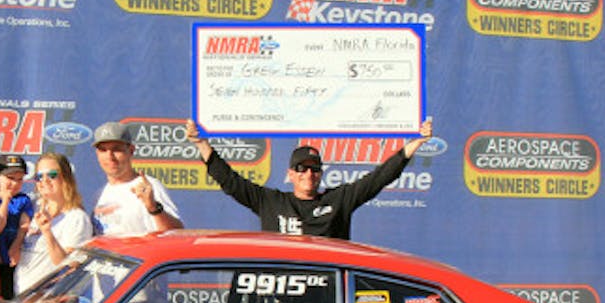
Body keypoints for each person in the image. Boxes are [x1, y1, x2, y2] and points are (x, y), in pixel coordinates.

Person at [185, 118, 434, 239]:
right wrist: (201, 143)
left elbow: (380, 177)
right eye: (301, 169)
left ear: (321, 174)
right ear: (290, 174)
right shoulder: (270, 201)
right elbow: (230, 181)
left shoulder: (339, 200)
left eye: (314, 169)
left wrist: (416, 143)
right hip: (282, 296)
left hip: (327, 297)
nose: (308, 174)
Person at [15, 153, 93, 292]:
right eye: (39, 176)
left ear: (66, 178)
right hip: (22, 296)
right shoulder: (31, 207)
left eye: (51, 175)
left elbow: (68, 268)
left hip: (50, 301)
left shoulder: (77, 218)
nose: (44, 180)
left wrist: (47, 232)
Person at [89, 121, 183, 235]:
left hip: (138, 253)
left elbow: (176, 233)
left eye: (116, 149)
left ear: (131, 150)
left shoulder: (148, 186)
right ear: (97, 154)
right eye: (103, 150)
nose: (110, 156)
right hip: (106, 253)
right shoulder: (100, 195)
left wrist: (153, 208)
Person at [0, 154, 34, 299]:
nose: (15, 184)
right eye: (10, 178)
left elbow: (24, 225)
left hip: (21, 255)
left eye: (19, 179)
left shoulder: (23, 199)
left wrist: (17, 246)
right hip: (1, 257)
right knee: (4, 294)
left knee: (23, 293)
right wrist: (5, 201)